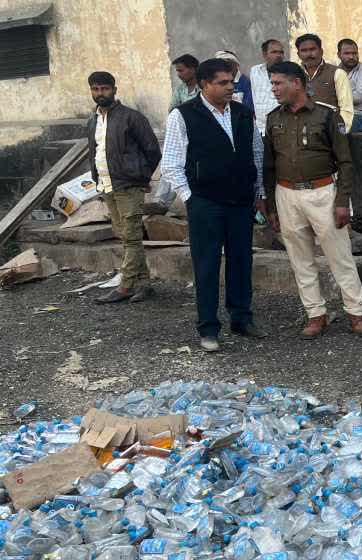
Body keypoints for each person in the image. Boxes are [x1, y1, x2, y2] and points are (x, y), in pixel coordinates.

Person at [161, 58, 266, 352]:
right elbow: (170, 163)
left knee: (242, 260)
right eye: (223, 83)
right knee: (206, 265)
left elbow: (256, 154)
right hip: (205, 202)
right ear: (205, 84)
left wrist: (259, 194)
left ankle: (242, 318)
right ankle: (208, 328)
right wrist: (189, 197)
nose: (230, 87)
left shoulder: (244, 114)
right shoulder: (183, 115)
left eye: (232, 81)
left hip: (241, 201)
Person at [263, 62, 362, 339]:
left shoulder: (326, 116)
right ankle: (315, 314)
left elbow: (345, 162)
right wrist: (271, 207)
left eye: (278, 83)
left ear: (296, 83)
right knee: (301, 259)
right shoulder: (273, 118)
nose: (274, 89)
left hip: (322, 192)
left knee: (340, 257)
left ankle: (356, 313)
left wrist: (342, 201)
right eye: (272, 83)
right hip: (286, 193)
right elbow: (269, 165)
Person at [85, 71, 161, 304]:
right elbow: (95, 152)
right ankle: (144, 284)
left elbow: (152, 151)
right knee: (124, 235)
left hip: (128, 185)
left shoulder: (132, 117)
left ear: (114, 90)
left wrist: (140, 176)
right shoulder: (93, 120)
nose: (100, 94)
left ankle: (126, 286)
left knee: (131, 237)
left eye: (104, 89)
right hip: (107, 185)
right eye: (96, 89)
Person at [148, 54, 199, 214]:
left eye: (181, 70)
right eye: (177, 71)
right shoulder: (181, 90)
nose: (179, 74)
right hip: (182, 134)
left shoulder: (204, 87)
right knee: (170, 164)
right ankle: (160, 202)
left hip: (198, 135)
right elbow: (172, 111)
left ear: (193, 69)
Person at [295, 34, 354, 130]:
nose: (309, 54)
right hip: (302, 130)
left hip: (329, 129)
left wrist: (341, 133)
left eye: (312, 49)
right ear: (298, 54)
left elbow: (346, 109)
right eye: (304, 51)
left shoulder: (338, 73)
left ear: (321, 51)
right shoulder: (294, 75)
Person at [337, 39, 362, 132]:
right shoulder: (335, 71)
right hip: (340, 115)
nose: (351, 57)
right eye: (347, 53)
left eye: (354, 53)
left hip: (361, 118)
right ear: (339, 55)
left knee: (337, 128)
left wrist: (333, 95)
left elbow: (358, 98)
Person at [249, 39, 286, 135]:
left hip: (283, 127)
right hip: (260, 128)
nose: (278, 55)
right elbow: (254, 95)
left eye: (281, 52)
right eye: (274, 52)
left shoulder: (289, 72)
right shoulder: (255, 71)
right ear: (265, 55)